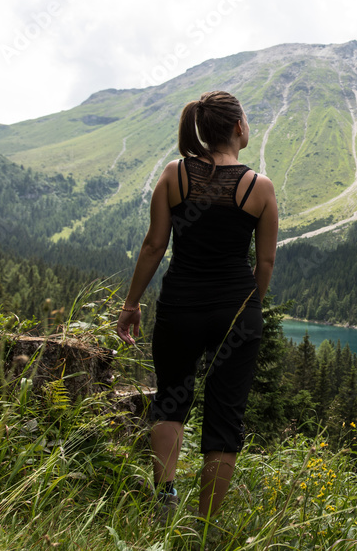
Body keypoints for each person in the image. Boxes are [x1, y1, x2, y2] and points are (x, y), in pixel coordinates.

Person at [115, 90, 278, 519]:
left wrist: (131, 304)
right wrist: (250, 308)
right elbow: (265, 261)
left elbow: (154, 245)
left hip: (180, 305)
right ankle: (202, 529)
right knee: (225, 419)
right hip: (236, 311)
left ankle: (165, 500)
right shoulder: (258, 187)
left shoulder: (175, 175)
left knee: (171, 401)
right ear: (239, 128)